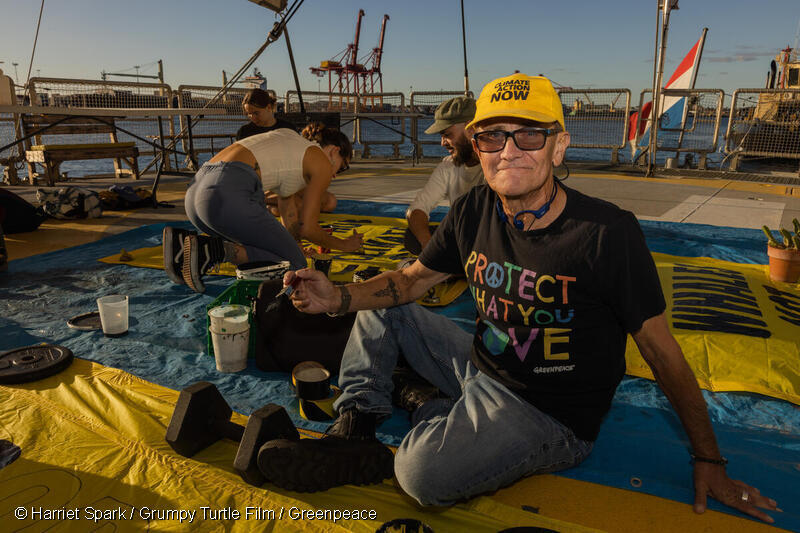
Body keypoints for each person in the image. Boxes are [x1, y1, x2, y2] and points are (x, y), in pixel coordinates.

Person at [256, 73, 779, 524]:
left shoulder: (606, 234)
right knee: (381, 311)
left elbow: (663, 354)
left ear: (559, 146)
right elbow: (411, 281)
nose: (509, 150)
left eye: (529, 133)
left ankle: (424, 407)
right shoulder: (472, 209)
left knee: (418, 475)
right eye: (492, 136)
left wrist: (709, 460)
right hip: (481, 366)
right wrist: (338, 296)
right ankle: (357, 425)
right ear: (476, 148)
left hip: (548, 412)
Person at [162, 123, 363, 293]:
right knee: (295, 267)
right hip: (227, 195)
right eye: (342, 167)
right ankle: (213, 250)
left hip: (197, 196)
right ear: (335, 150)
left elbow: (289, 212)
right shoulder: (321, 162)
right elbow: (307, 228)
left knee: (281, 252)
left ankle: (182, 244)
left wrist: (294, 245)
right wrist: (345, 245)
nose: (335, 175)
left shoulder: (291, 144)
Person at [405, 96, 484, 254]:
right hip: (464, 239)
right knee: (413, 238)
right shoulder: (448, 165)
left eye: (447, 134)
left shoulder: (499, 165)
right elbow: (416, 210)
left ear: (471, 129)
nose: (442, 143)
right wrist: (427, 243)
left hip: (489, 240)